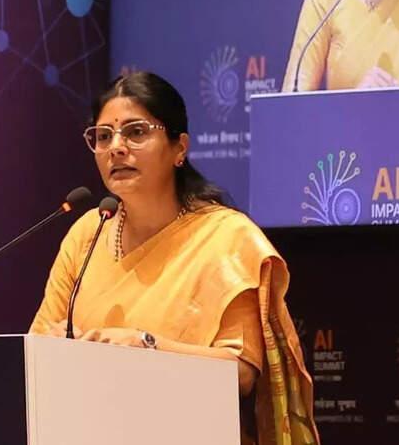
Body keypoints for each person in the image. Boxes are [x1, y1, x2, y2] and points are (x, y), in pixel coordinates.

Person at [30, 71, 319, 445]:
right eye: (103, 136)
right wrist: (53, 347)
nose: (116, 147)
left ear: (179, 148)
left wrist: (145, 346)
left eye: (136, 132)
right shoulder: (89, 231)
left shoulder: (226, 237)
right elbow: (38, 344)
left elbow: (241, 373)